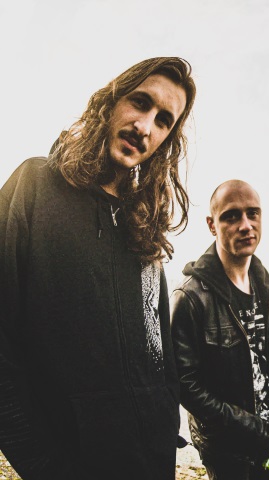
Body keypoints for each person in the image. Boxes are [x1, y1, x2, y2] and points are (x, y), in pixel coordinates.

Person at [0, 57, 196, 479]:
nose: (145, 126)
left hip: (151, 464)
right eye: (140, 102)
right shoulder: (34, 187)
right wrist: (43, 465)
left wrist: (165, 426)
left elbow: (159, 349)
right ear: (111, 101)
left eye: (163, 120)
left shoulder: (143, 224)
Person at [171, 180, 269, 480]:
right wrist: (260, 433)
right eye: (231, 216)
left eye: (253, 213)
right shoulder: (190, 297)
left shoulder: (261, 281)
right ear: (211, 225)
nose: (245, 225)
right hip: (227, 449)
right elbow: (186, 387)